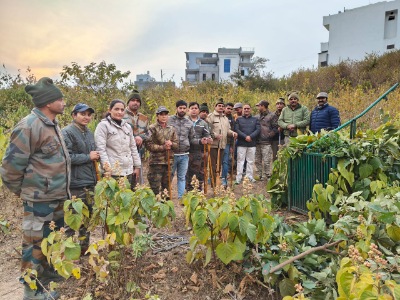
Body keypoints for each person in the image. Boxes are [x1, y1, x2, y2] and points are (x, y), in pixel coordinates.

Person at [0, 77, 70, 299]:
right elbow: (10, 168)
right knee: (34, 247)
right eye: (59, 98)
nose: (63, 102)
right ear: (47, 102)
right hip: (39, 201)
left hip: (57, 197)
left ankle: (48, 282)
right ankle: (31, 292)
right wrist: (25, 192)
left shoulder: (52, 124)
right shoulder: (29, 126)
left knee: (53, 241)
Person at [62, 103, 99, 253]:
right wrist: (88, 157)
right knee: (72, 218)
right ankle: (69, 252)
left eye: (89, 115)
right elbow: (66, 157)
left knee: (87, 218)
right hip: (76, 183)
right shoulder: (67, 132)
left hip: (90, 181)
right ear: (74, 115)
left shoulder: (89, 133)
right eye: (83, 114)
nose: (86, 117)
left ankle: (84, 249)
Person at [95, 99, 141, 183]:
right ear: (110, 110)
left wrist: (137, 166)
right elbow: (101, 149)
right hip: (113, 172)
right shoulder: (103, 126)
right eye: (116, 109)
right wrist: (107, 169)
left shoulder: (127, 127)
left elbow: (133, 147)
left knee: (129, 195)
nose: (119, 112)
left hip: (129, 171)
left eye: (122, 110)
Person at [145, 106, 178, 198]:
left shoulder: (172, 129)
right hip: (156, 162)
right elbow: (148, 145)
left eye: (166, 114)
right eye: (161, 114)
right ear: (157, 116)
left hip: (168, 162)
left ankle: (166, 209)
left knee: (166, 188)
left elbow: (177, 145)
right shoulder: (151, 128)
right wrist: (163, 147)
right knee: (154, 188)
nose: (164, 116)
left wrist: (171, 144)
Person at [167, 100, 194, 200]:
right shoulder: (169, 120)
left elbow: (191, 137)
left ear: (186, 109)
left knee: (182, 177)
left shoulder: (189, 123)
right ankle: (166, 195)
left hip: (184, 154)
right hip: (172, 154)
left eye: (184, 108)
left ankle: (181, 197)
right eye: (180, 108)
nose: (182, 110)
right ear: (176, 109)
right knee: (169, 176)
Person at [207, 99, 237, 187]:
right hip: (213, 145)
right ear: (215, 107)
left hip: (222, 145)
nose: (221, 107)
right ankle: (213, 183)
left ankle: (217, 181)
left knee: (219, 165)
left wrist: (233, 133)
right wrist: (215, 135)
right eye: (219, 106)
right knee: (213, 165)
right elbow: (208, 130)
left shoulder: (225, 118)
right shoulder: (211, 117)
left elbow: (227, 130)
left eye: (222, 106)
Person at [123, 90, 149, 186]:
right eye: (133, 100)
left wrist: (141, 138)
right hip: (124, 155)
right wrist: (133, 138)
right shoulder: (121, 115)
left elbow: (148, 134)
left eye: (138, 101)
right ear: (128, 102)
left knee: (138, 183)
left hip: (139, 154)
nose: (135, 103)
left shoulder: (144, 118)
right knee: (125, 183)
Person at [186, 102, 212, 191]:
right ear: (188, 110)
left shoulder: (203, 123)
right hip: (187, 151)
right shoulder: (185, 121)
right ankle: (189, 191)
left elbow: (207, 134)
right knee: (188, 172)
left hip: (199, 151)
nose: (194, 110)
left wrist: (208, 139)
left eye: (196, 108)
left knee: (200, 172)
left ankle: (199, 191)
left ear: (198, 110)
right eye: (192, 108)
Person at [234, 104, 260, 184]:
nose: (246, 110)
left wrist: (250, 137)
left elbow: (258, 129)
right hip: (241, 143)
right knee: (240, 161)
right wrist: (245, 137)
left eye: (248, 108)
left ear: (250, 110)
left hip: (252, 143)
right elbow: (237, 129)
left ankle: (250, 177)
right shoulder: (239, 119)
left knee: (250, 161)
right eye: (245, 109)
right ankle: (238, 178)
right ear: (243, 109)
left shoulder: (255, 119)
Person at [254, 100, 278, 181]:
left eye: (259, 106)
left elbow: (275, 127)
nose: (258, 107)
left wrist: (269, 135)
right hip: (257, 141)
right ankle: (259, 175)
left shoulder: (272, 115)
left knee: (267, 159)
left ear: (263, 106)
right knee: (257, 160)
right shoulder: (256, 117)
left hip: (267, 142)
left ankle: (267, 175)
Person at [221, 102, 235, 186]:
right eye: (228, 108)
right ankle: (212, 178)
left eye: (231, 109)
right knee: (215, 162)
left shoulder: (232, 119)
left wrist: (231, 145)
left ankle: (224, 178)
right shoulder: (219, 116)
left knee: (225, 162)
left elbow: (232, 132)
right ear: (224, 108)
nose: (229, 110)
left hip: (227, 143)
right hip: (217, 142)